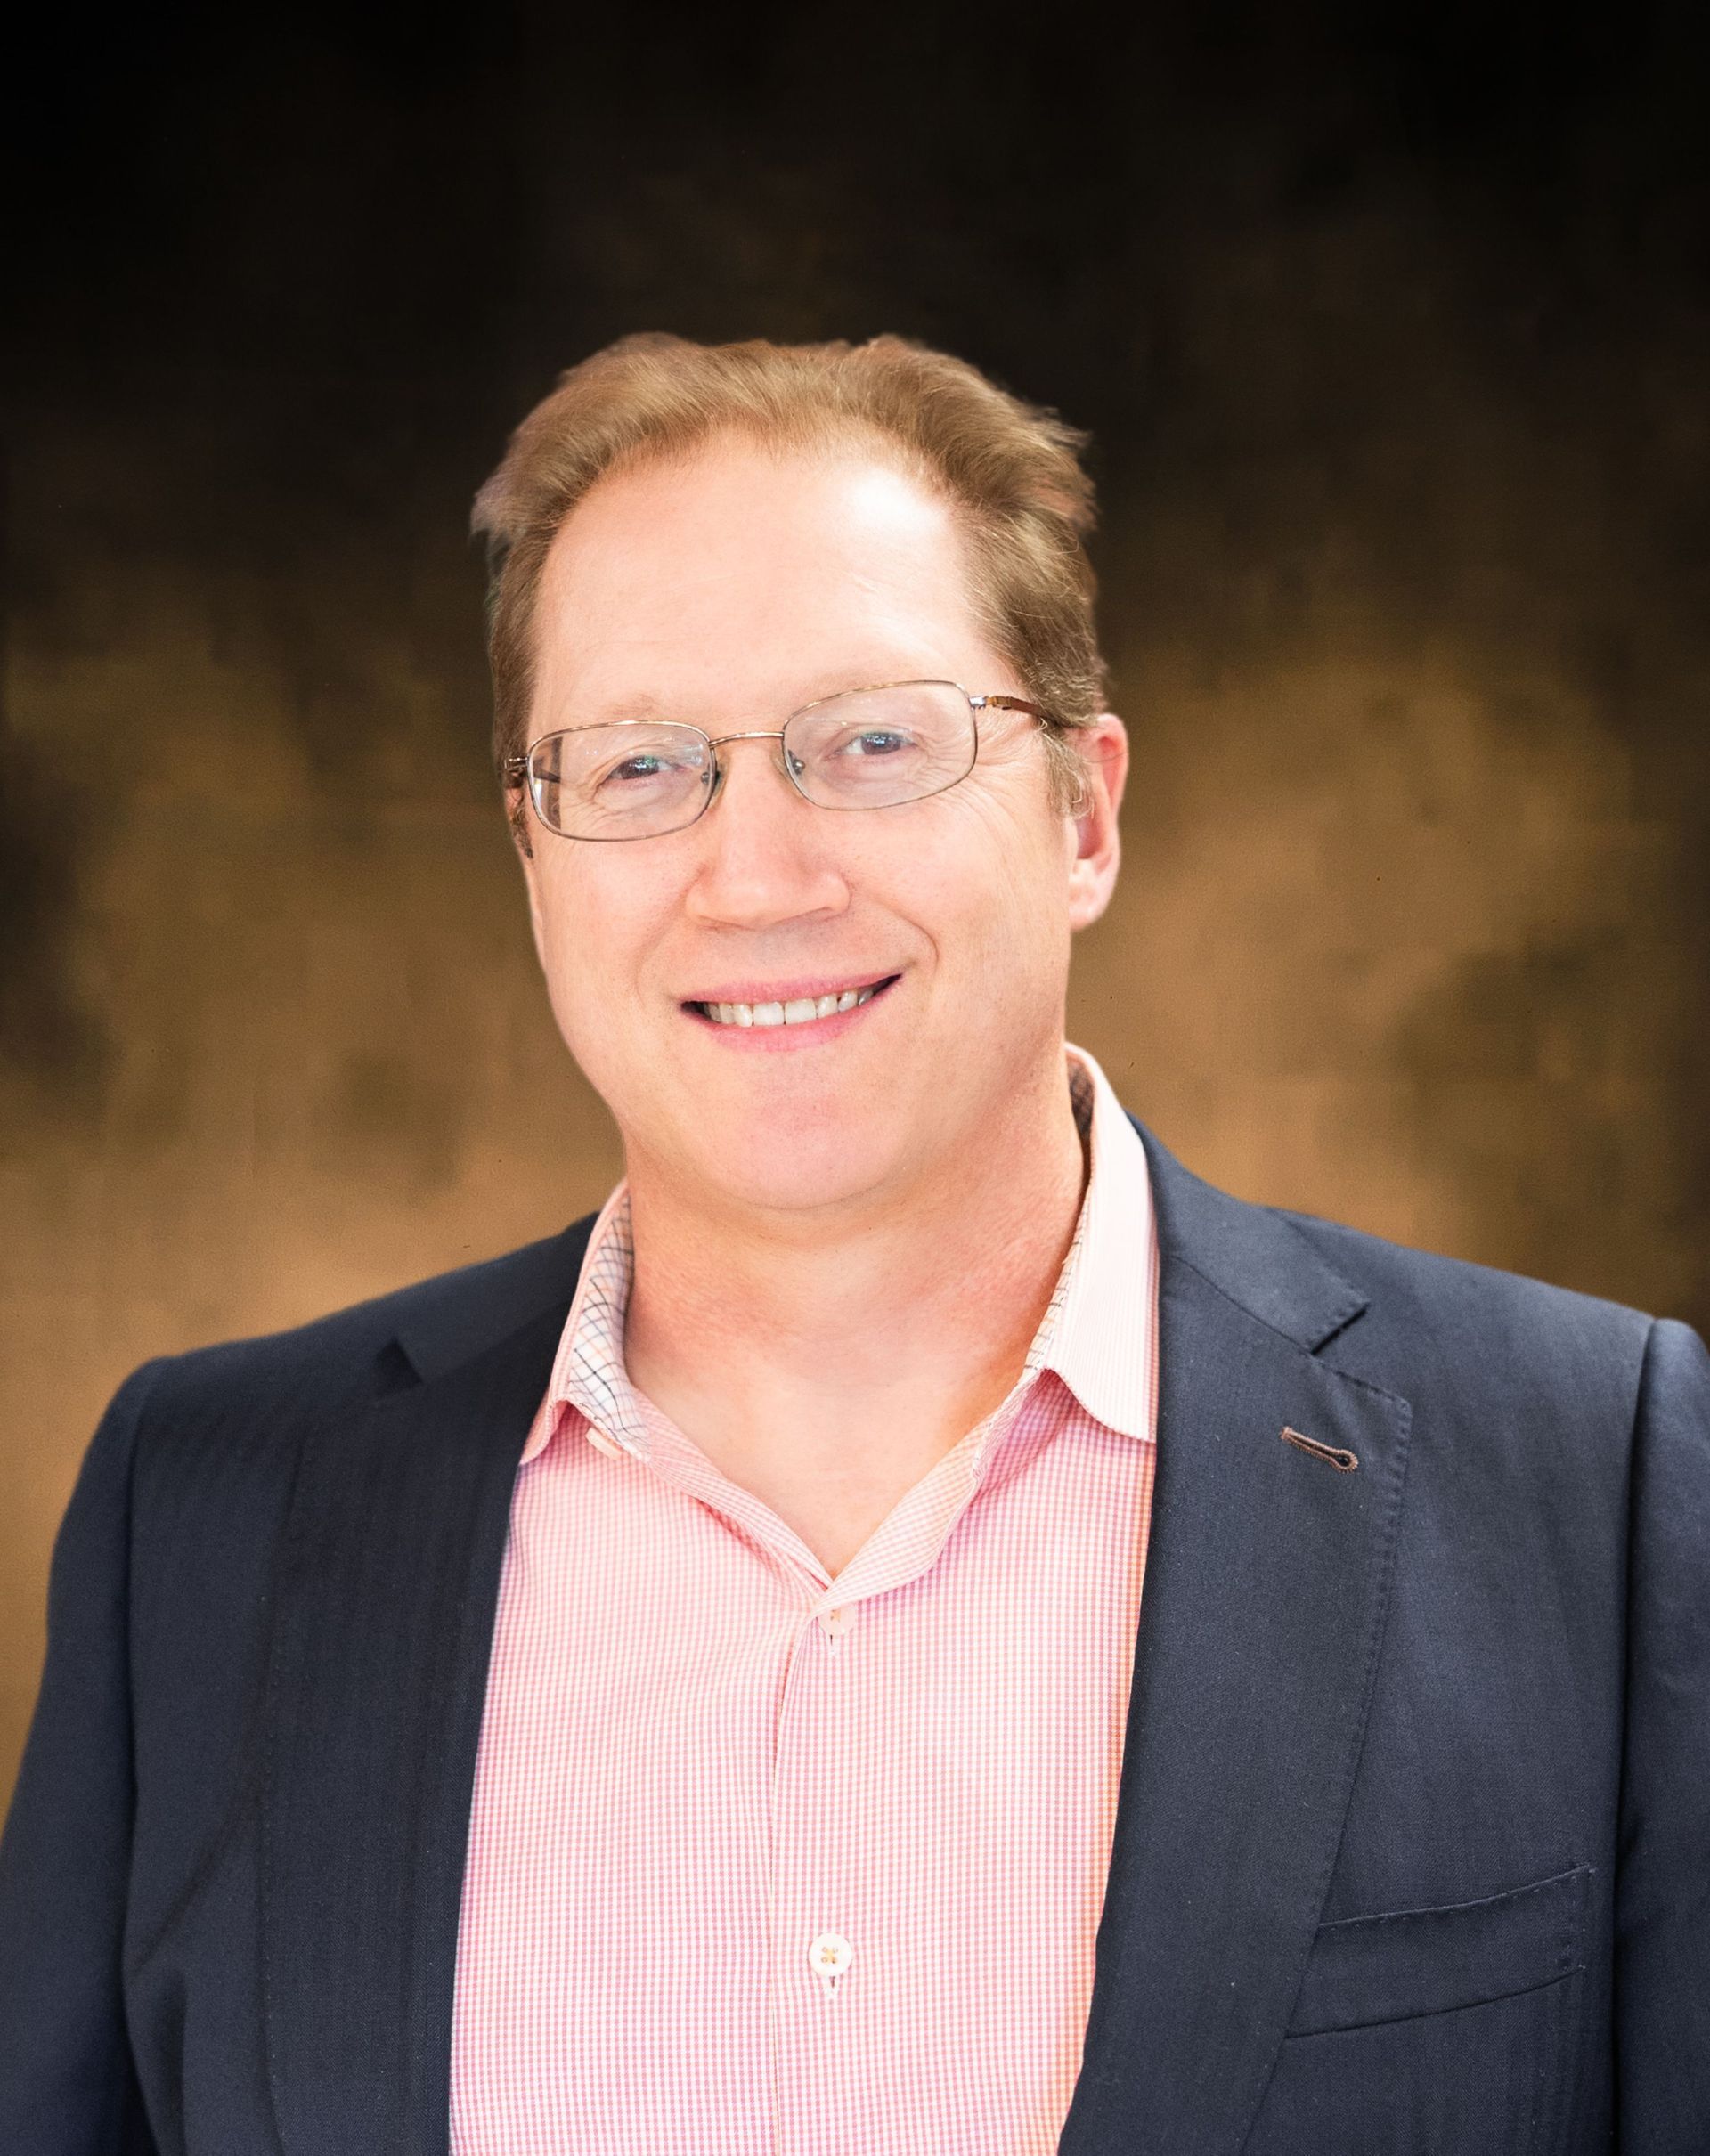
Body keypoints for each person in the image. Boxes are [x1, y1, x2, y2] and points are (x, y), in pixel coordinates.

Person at [0, 333, 1705, 2156]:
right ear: (534, 854)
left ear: (1087, 813)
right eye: (641, 764)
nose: (755, 873)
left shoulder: (1596, 1477)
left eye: (873, 743)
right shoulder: (206, 1511)